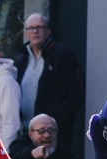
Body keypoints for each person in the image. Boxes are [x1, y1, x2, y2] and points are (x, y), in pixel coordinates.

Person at [15, 14, 85, 143]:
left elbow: (76, 94)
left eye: (39, 27)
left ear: (48, 31)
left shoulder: (63, 56)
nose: (35, 31)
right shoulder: (22, 59)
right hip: (28, 132)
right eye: (30, 28)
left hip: (54, 134)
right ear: (26, 33)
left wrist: (53, 121)